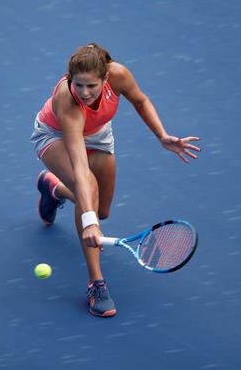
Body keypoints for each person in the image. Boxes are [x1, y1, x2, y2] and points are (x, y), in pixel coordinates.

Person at [30, 43, 201, 317]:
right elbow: (79, 162)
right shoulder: (68, 101)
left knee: (102, 211)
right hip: (56, 137)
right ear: (70, 79)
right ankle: (96, 283)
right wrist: (88, 221)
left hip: (98, 136)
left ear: (105, 79)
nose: (84, 93)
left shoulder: (119, 74)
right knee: (89, 195)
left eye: (91, 86)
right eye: (79, 85)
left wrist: (162, 135)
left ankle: (55, 190)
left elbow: (141, 100)